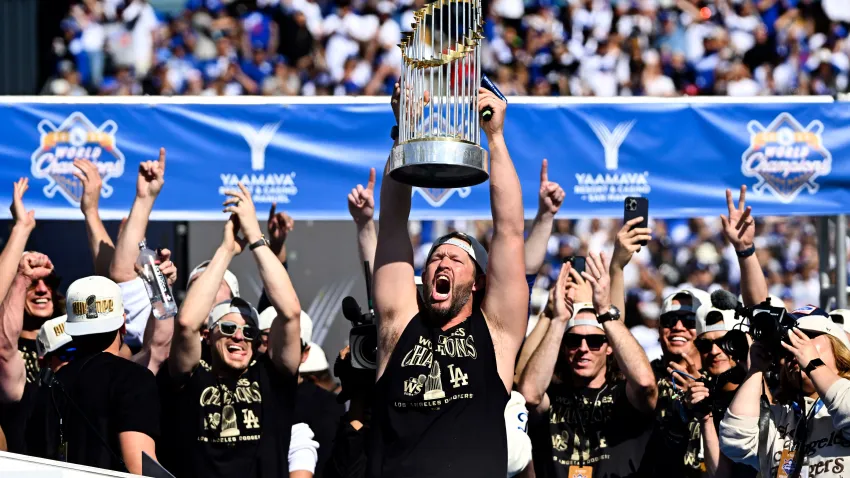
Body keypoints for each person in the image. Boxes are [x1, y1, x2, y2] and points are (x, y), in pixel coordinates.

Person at [369, 83, 528, 477]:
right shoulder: (399, 325)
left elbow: (509, 232)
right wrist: (405, 126)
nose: (443, 262)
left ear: (477, 282)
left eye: (457, 259)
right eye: (437, 257)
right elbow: (390, 226)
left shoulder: (495, 332)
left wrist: (495, 138)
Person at [158, 183, 302, 478]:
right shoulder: (192, 374)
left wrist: (255, 237)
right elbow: (186, 324)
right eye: (228, 327)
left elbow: (290, 313)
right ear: (208, 334)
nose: (240, 336)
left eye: (249, 332)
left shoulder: (271, 375)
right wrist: (226, 250)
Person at [519, 251, 658, 477]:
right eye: (574, 341)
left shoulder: (625, 395)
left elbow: (646, 385)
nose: (583, 348)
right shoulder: (552, 393)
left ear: (609, 345)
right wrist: (558, 320)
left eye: (595, 341)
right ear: (563, 346)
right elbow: (529, 396)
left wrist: (605, 311)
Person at [26, 275, 161, 474]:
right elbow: (140, 468)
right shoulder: (134, 379)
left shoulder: (49, 386)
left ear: (72, 331)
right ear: (123, 324)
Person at [720, 307, 850, 478]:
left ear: (837, 347)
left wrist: (812, 364)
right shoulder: (782, 416)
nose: (794, 347)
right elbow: (734, 441)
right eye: (787, 344)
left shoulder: (844, 400)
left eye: (807, 336)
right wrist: (756, 369)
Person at [0, 179, 61, 455]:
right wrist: (21, 229)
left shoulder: (73, 345)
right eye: (31, 283)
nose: (41, 289)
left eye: (49, 282)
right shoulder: (5, 350)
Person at [670, 306, 756, 478]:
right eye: (705, 345)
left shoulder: (767, 387)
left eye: (725, 342)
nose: (715, 351)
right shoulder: (698, 398)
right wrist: (703, 416)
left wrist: (755, 368)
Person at [261, 305, 344, 478]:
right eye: (265, 338)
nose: (272, 347)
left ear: (305, 353)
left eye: (285, 339)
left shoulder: (327, 406)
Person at [644, 286, 712, 476]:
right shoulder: (645, 376)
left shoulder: (721, 378)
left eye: (690, 321)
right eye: (669, 320)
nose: (678, 327)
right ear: (658, 329)